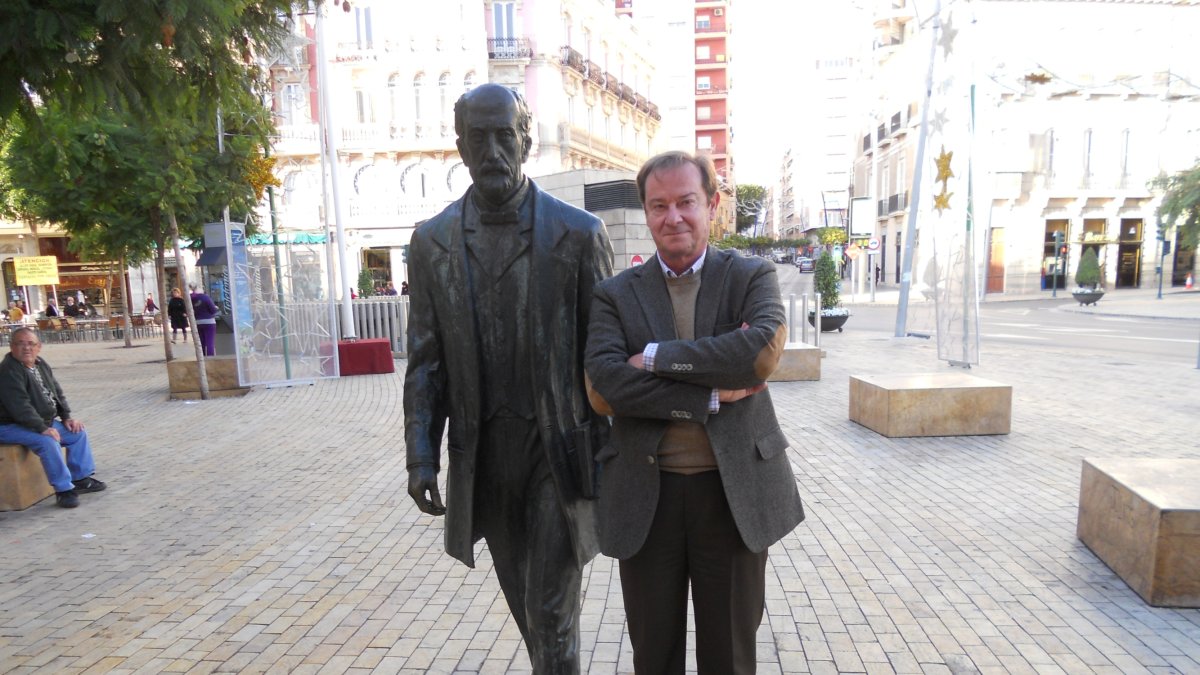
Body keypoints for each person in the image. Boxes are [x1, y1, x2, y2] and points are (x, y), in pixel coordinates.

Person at [404, 83, 613, 674]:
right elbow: (426, 362)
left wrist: (614, 455)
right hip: (485, 458)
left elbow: (604, 357)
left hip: (558, 454)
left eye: (505, 136)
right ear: (460, 146)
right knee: (528, 610)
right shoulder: (432, 242)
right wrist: (422, 457)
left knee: (550, 612)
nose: (493, 150)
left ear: (527, 140)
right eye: (479, 138)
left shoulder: (576, 235)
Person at [584, 151, 805, 674]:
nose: (673, 217)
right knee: (654, 654)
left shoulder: (751, 276)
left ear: (713, 204)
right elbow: (603, 387)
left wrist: (655, 358)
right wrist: (707, 395)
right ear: (645, 211)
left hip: (733, 497)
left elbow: (756, 356)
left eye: (686, 202)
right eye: (658, 206)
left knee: (728, 654)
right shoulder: (615, 295)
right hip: (646, 498)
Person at [0, 327, 106, 508]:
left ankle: (80, 478)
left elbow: (56, 391)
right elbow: (20, 407)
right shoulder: (8, 371)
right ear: (11, 347)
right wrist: (43, 428)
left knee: (77, 433)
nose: (26, 348)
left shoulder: (40, 364)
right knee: (47, 442)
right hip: (9, 425)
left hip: (39, 422)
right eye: (20, 344)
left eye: (31, 344)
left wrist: (66, 417)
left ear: (38, 347)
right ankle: (64, 490)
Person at [189, 284, 219, 356]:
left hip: (197, 322)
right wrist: (216, 307)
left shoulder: (191, 299)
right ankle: (210, 358)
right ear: (199, 288)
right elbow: (213, 310)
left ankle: (202, 358)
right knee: (210, 342)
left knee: (201, 342)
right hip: (209, 322)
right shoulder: (205, 297)